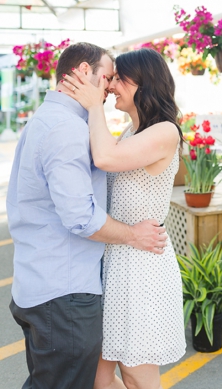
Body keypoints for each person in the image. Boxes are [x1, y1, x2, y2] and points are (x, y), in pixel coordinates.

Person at [6, 42, 167, 389]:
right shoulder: (66, 128)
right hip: (63, 292)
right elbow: (82, 216)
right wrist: (133, 235)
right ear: (82, 72)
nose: (109, 88)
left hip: (58, 283)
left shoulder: (50, 120)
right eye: (107, 78)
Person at [63, 48, 187, 389]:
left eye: (119, 78)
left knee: (137, 375)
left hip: (143, 270)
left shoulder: (165, 132)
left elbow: (103, 157)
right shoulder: (131, 133)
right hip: (117, 265)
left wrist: (91, 104)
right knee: (99, 378)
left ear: (143, 83)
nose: (111, 85)